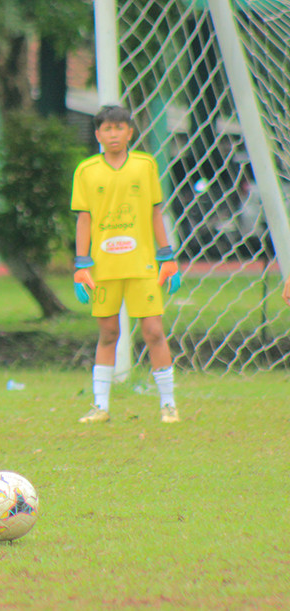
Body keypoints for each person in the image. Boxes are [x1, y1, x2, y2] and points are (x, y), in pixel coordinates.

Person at [71, 105, 181, 425]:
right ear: (98, 134)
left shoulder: (145, 166)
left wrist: (167, 256)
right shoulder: (86, 171)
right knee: (108, 333)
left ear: (130, 132)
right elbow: (84, 219)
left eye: (119, 128)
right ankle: (100, 406)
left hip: (142, 266)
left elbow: (156, 212)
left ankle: (168, 404)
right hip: (104, 269)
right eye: (107, 129)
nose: (113, 134)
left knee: (154, 331)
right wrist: (81, 264)